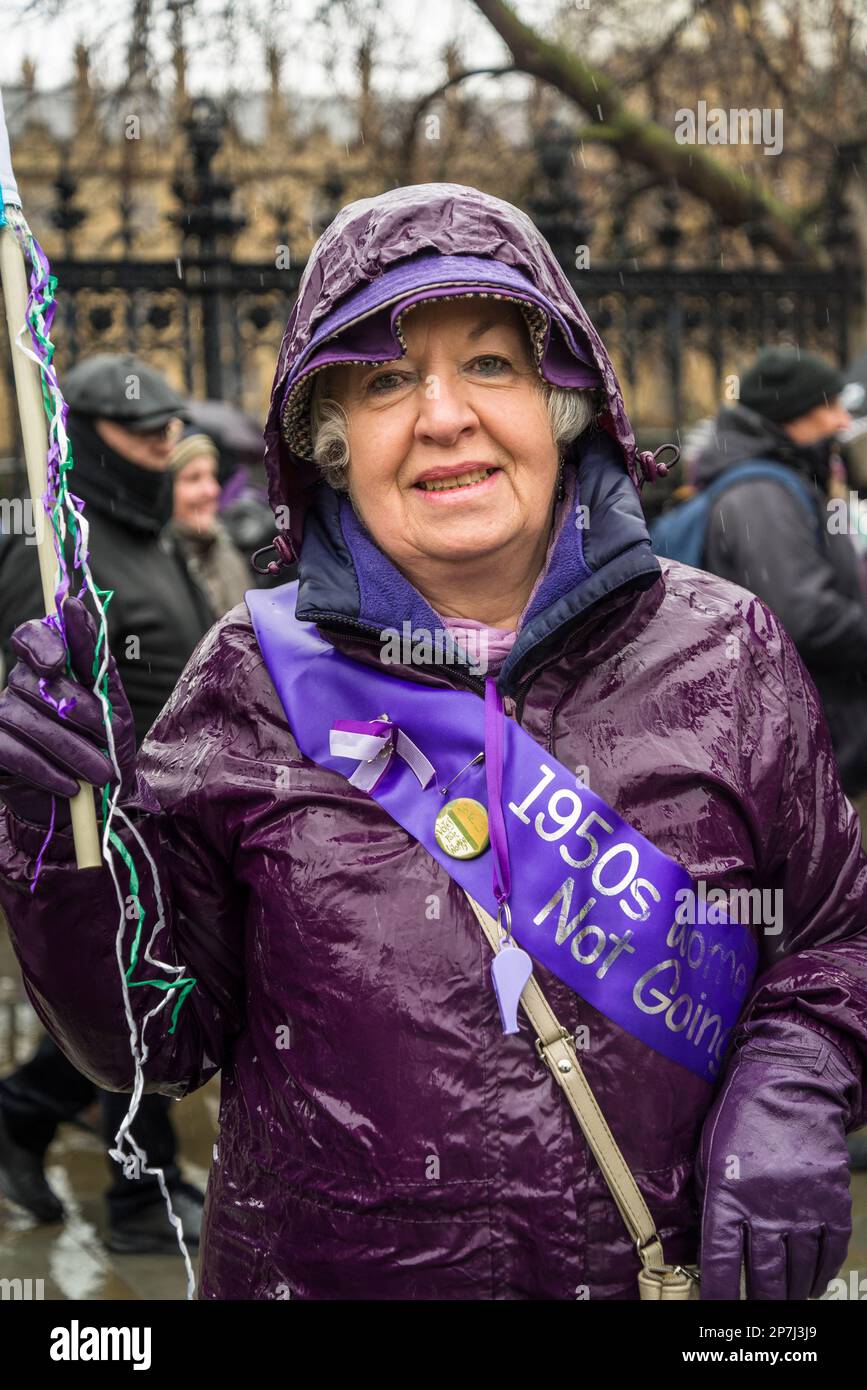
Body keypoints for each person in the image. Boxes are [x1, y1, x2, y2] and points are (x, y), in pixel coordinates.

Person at [0, 184, 865, 1300]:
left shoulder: (727, 649)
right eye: (385, 378)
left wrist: (796, 1080)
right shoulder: (247, 678)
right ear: (330, 443)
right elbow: (146, 1044)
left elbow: (833, 936)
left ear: (564, 402)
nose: (444, 414)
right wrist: (60, 841)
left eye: (492, 365)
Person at [0, 353, 210, 1252]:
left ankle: (20, 1118)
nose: (164, 448)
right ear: (86, 437)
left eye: (172, 429)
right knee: (128, 1006)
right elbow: (25, 701)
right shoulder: (51, 553)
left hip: (174, 831)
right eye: (143, 431)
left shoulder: (151, 538)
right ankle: (137, 1199)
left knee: (143, 1006)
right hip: (96, 831)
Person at [692, 349, 867, 810]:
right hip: (803, 754)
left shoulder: (783, 480)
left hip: (819, 744)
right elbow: (802, 615)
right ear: (794, 415)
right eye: (828, 406)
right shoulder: (760, 494)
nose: (840, 420)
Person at [166, 426, 251, 620]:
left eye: (213, 475)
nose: (212, 490)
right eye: (194, 478)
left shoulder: (224, 548)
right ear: (166, 489)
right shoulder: (163, 563)